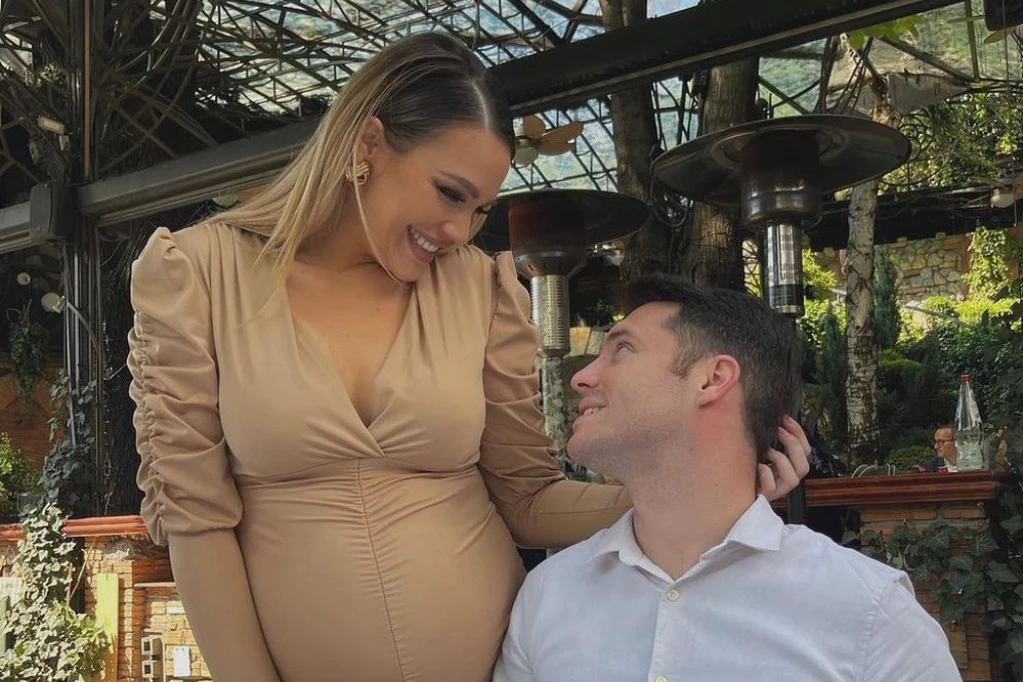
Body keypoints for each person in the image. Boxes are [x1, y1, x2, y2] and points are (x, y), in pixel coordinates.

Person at [125, 32, 810, 682]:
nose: (459, 230)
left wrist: (707, 492)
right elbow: (196, 521)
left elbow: (528, 498)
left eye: (480, 209)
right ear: (368, 143)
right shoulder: (196, 274)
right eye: (450, 193)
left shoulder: (478, 289)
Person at [494, 275, 960, 682]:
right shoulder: (549, 596)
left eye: (622, 349)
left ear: (712, 378)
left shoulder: (869, 613)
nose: (582, 377)